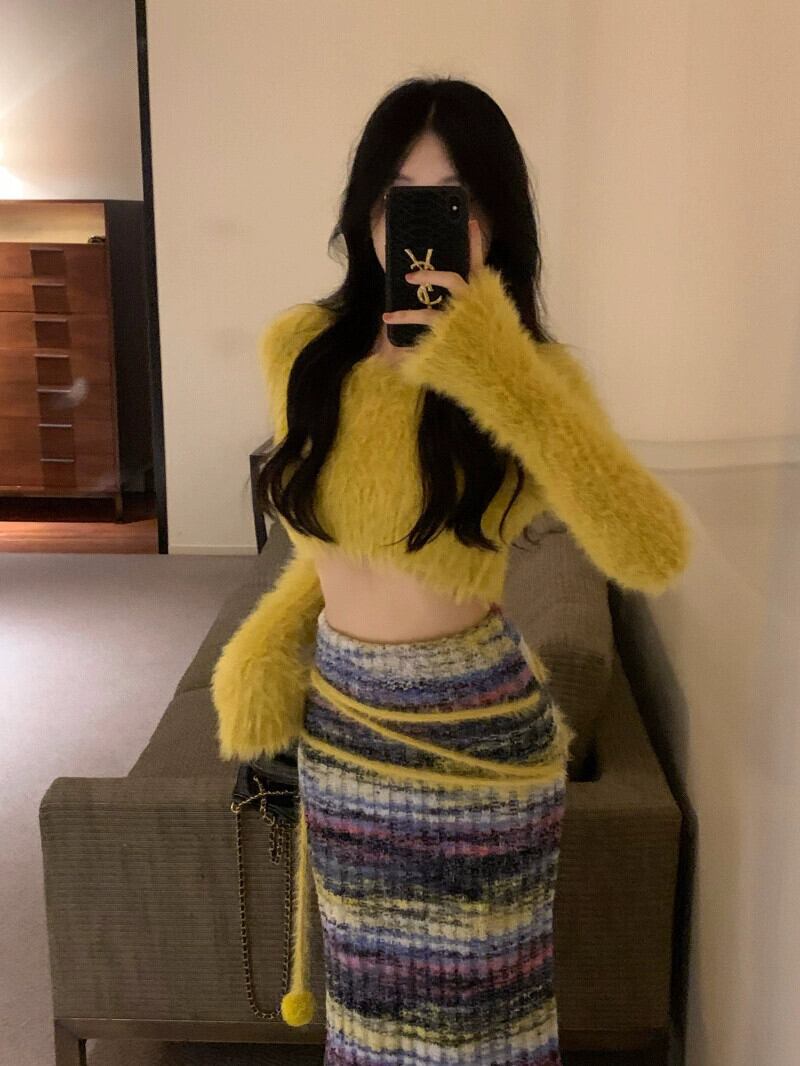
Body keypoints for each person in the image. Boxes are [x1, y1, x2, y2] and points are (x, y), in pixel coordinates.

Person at [212, 75, 692, 1065]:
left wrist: (493, 368)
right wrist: (268, 642)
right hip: (345, 733)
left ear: (494, 222)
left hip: (478, 748)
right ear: (366, 213)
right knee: (369, 1024)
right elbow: (331, 546)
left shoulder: (530, 378)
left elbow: (648, 548)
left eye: (455, 202)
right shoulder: (302, 353)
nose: (423, 228)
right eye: (401, 199)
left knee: (486, 1029)